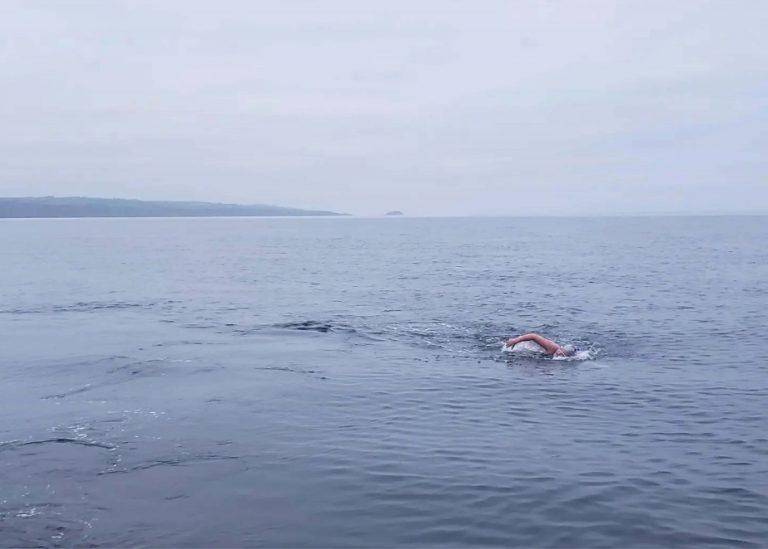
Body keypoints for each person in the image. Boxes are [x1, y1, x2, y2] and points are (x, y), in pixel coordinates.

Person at [503, 333, 575, 357]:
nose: (559, 354)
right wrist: (515, 340)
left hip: (533, 350)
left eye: (562, 355)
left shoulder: (559, 355)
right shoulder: (552, 347)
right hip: (523, 343)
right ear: (561, 348)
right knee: (503, 346)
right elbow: (533, 336)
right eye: (560, 352)